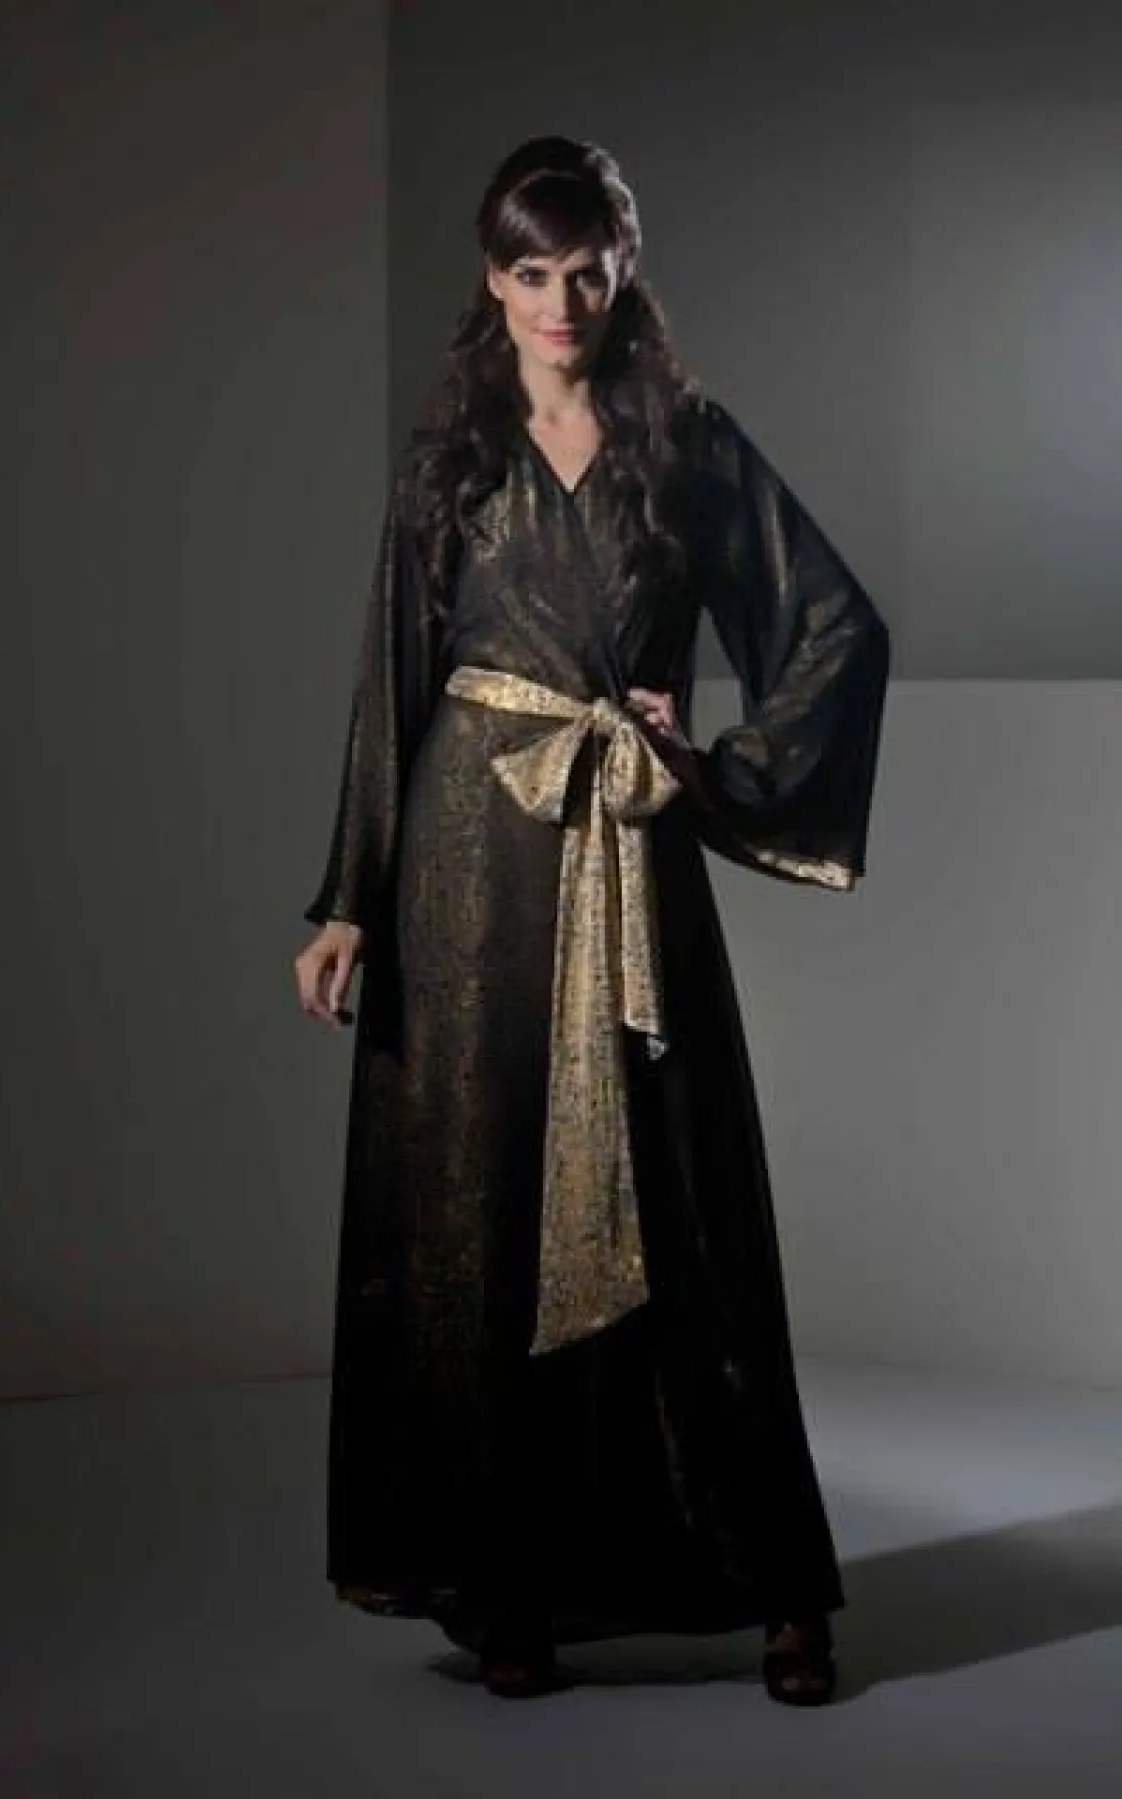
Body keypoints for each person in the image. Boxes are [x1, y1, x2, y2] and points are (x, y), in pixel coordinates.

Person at [293, 135, 891, 1702]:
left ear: (623, 276)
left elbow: (836, 625)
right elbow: (392, 680)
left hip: (626, 848)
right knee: (482, 1214)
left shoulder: (687, 448)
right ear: (491, 281)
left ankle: (781, 1590)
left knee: (686, 1203)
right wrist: (350, 896)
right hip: (466, 877)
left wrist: (713, 766)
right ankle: (513, 1586)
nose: (561, 301)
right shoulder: (449, 462)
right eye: (531, 271)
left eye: (587, 271)